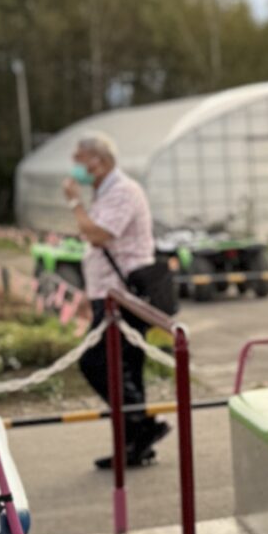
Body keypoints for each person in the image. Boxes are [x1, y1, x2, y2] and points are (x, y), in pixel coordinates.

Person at [62, 131, 169, 469]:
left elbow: (98, 235)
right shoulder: (105, 192)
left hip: (123, 297)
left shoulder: (123, 191)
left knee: (96, 362)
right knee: (125, 368)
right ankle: (134, 446)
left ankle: (143, 426)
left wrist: (74, 203)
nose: (75, 166)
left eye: (80, 159)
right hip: (108, 294)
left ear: (100, 161)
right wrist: (89, 294)